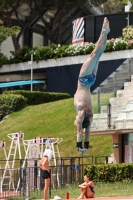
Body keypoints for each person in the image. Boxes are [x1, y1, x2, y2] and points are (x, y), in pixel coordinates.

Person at [74, 17, 110, 153]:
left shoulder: (88, 114)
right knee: (95, 53)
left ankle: (105, 32)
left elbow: (86, 132)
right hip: (83, 80)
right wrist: (79, 145)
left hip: (90, 81)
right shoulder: (81, 109)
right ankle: (104, 31)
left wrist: (85, 147)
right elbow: (79, 130)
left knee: (98, 54)